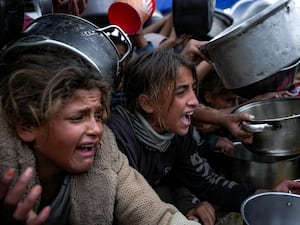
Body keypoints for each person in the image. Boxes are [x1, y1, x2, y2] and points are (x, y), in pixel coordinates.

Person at [0, 40, 203, 225]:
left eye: (98, 116)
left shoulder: (106, 155)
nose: (97, 130)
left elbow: (154, 215)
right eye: (77, 118)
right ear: (27, 126)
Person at [107, 49, 300, 225]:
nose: (194, 101)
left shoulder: (178, 131)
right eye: (181, 92)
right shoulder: (118, 138)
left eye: (193, 89)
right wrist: (182, 209)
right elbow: (129, 208)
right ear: (147, 103)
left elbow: (208, 182)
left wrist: (268, 195)